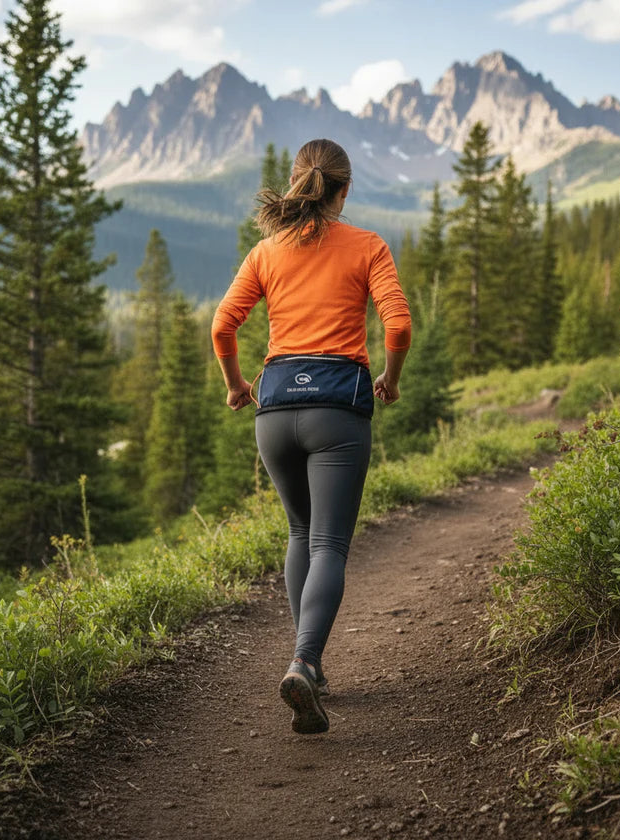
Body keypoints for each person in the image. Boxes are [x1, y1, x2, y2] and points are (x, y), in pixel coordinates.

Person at [211, 138, 411, 735]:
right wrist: (391, 380)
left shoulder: (266, 251)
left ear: (299, 184)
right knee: (329, 543)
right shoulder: (368, 245)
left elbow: (224, 324)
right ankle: (305, 661)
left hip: (273, 410)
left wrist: (235, 385)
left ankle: (312, 667)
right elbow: (397, 324)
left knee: (300, 531)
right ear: (344, 190)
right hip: (337, 408)